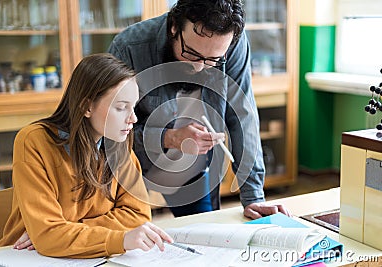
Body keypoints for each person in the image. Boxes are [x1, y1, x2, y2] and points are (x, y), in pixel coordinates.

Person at [108, 0, 290, 218]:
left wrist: (253, 197)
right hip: (133, 163)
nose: (198, 67)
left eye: (213, 60)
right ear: (174, 26)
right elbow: (109, 134)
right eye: (191, 54)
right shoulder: (129, 47)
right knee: (130, 233)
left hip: (194, 163)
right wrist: (170, 138)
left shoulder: (232, 45)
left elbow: (243, 116)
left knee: (204, 232)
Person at [0, 53, 173, 257]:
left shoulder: (118, 142)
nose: (132, 119)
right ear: (86, 106)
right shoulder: (34, 142)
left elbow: (138, 216)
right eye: (121, 107)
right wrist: (119, 238)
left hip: (79, 255)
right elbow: (48, 236)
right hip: (23, 256)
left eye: (132, 107)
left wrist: (63, 232)